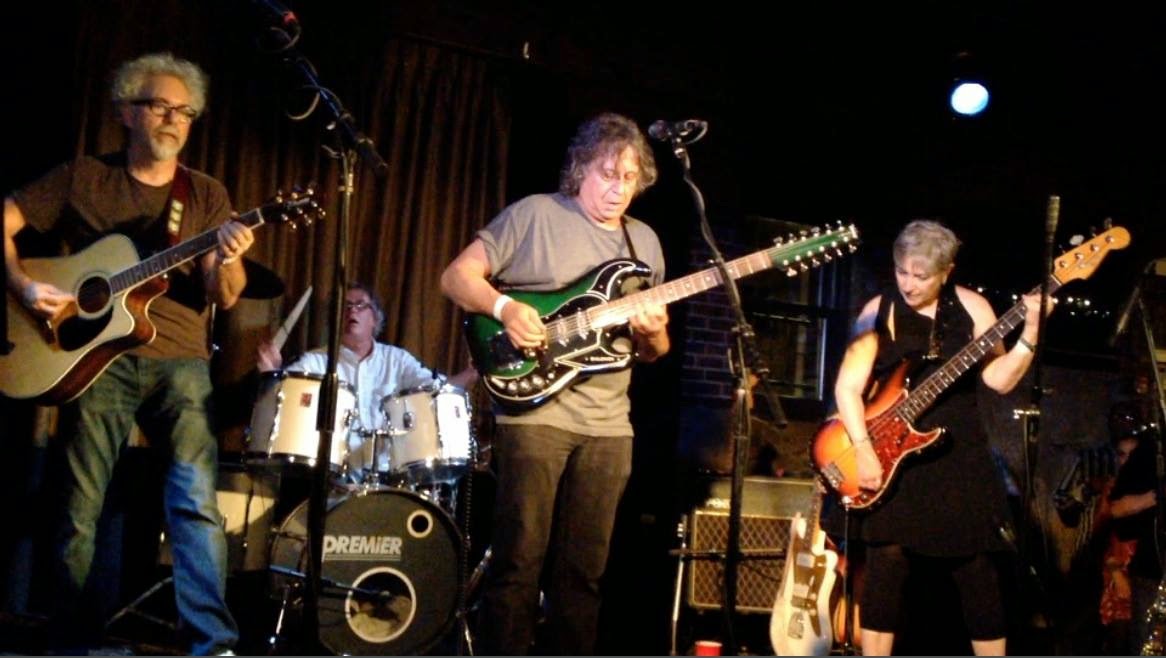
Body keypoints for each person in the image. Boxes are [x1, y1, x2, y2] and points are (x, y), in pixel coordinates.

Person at [3, 52, 251, 654]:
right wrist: (24, 286)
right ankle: (71, 640)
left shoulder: (205, 194)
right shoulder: (84, 177)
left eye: (185, 112)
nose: (173, 120)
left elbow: (225, 293)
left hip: (181, 360)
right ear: (126, 111)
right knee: (79, 506)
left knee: (195, 505)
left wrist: (229, 256)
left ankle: (211, 644)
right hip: (93, 363)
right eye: (160, 106)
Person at [440, 112, 670, 654]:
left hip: (609, 426)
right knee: (518, 564)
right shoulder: (536, 214)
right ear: (581, 168)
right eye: (607, 174)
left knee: (584, 575)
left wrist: (653, 333)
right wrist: (505, 307)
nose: (618, 189)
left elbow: (654, 351)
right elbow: (455, 277)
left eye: (629, 178)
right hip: (535, 413)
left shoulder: (644, 243)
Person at [832, 219, 1050, 656]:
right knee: (886, 563)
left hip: (959, 453)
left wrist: (1029, 332)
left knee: (977, 568)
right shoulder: (878, 310)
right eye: (902, 272)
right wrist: (864, 451)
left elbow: (999, 380)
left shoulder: (974, 308)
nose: (908, 284)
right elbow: (847, 388)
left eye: (921, 275)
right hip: (887, 452)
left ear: (947, 271)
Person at [256, 281, 476, 482]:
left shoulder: (397, 360)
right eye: (346, 306)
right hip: (330, 477)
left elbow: (437, 390)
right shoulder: (316, 361)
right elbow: (283, 394)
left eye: (360, 305)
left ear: (375, 319)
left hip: (387, 476)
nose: (352, 311)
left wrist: (471, 373)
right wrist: (272, 372)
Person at [1097, 403, 1161, 654]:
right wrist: (1116, 572)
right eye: (1122, 455)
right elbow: (1108, 523)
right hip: (1125, 569)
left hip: (1143, 564)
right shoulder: (1113, 487)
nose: (1127, 461)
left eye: (1131, 455)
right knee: (1126, 634)